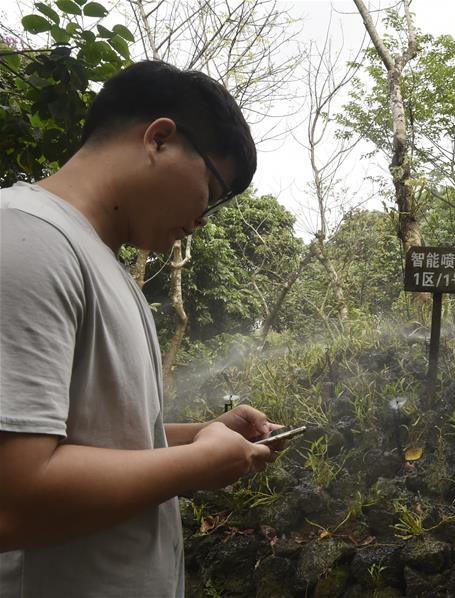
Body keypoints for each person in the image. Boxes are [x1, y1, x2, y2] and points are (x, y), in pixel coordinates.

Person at [0, 60, 281, 597]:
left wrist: (197, 435)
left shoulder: (98, 261)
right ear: (159, 139)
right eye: (213, 188)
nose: (204, 216)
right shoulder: (25, 240)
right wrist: (196, 464)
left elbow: (90, 441)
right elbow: (12, 499)